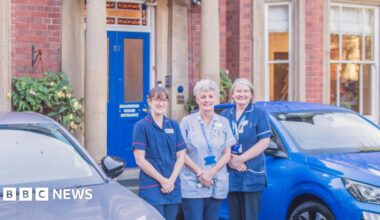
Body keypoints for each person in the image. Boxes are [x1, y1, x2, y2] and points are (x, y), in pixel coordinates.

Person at [180, 79, 236, 220]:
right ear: (197, 99)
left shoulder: (224, 122)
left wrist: (211, 173)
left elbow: (227, 153)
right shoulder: (187, 122)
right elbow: (181, 153)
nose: (207, 100)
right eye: (203, 97)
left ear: (215, 99)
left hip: (216, 181)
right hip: (193, 182)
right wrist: (200, 173)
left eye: (210, 96)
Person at [220, 78, 272, 220]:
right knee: (234, 216)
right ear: (232, 94)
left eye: (245, 91)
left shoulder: (259, 114)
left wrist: (240, 159)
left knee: (250, 216)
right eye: (238, 91)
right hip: (231, 173)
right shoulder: (225, 114)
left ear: (251, 94)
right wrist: (230, 159)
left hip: (251, 173)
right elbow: (218, 141)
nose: (241, 94)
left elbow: (264, 141)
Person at [132, 86, 186, 220]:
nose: (160, 103)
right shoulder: (141, 126)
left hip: (172, 188)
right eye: (157, 99)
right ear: (149, 102)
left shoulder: (173, 125)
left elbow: (181, 155)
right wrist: (163, 181)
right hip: (152, 188)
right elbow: (140, 160)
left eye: (164, 100)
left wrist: (171, 181)